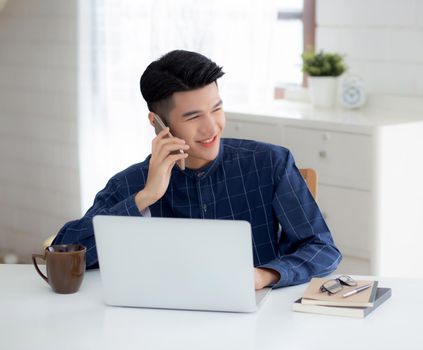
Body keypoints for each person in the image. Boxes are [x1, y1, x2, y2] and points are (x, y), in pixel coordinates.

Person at [53, 50, 341, 289]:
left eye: (216, 109)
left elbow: (322, 248)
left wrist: (263, 276)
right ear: (157, 123)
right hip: (156, 322)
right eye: (193, 117)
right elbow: (63, 251)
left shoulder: (269, 163)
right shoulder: (131, 183)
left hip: (255, 323)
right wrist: (144, 198)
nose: (211, 127)